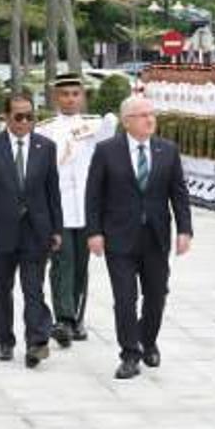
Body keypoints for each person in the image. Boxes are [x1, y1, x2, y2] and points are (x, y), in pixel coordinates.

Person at [85, 96, 194, 380]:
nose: (150, 119)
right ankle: (129, 354)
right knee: (124, 298)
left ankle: (148, 340)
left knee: (157, 295)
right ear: (127, 121)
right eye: (142, 115)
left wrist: (185, 230)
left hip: (156, 237)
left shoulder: (167, 150)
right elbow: (93, 195)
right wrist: (94, 232)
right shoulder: (107, 151)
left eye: (152, 114)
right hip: (119, 237)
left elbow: (179, 194)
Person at [0, 92, 63, 369]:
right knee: (1, 289)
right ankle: (5, 341)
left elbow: (52, 190)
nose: (25, 122)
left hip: (36, 230)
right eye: (19, 116)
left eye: (30, 116)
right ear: (6, 117)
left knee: (34, 289)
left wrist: (57, 228)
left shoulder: (46, 147)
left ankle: (36, 342)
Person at [35, 72, 117, 346]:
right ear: (56, 97)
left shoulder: (94, 126)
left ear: (82, 97)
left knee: (81, 265)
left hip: (85, 207)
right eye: (64, 95)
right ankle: (63, 320)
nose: (70, 99)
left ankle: (77, 318)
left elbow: (110, 133)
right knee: (62, 262)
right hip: (57, 207)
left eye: (75, 94)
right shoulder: (44, 129)